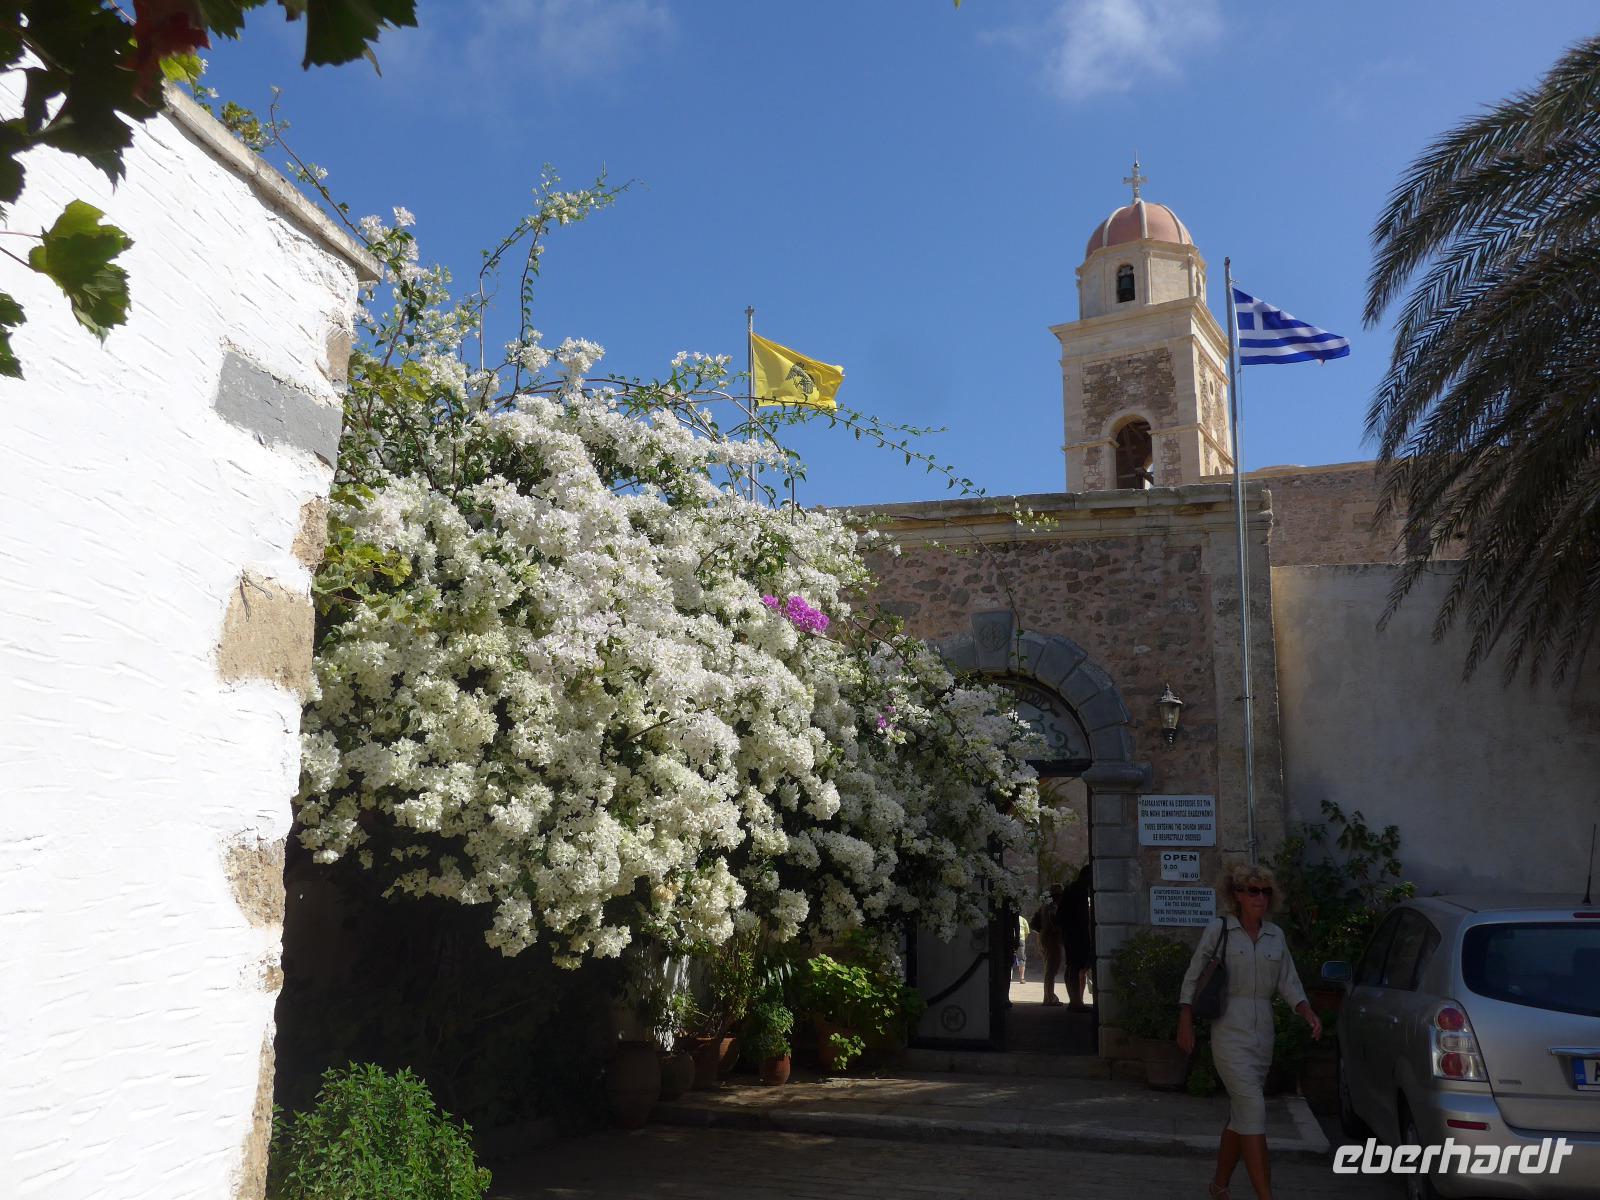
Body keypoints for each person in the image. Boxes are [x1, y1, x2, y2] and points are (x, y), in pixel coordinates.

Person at [1177, 863, 1321, 1200]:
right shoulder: (1220, 929)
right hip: (1228, 1029)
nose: (1259, 897)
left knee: (1242, 1114)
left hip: (1263, 1033)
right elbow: (1194, 973)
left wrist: (1306, 1010)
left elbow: (1289, 982)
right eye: (1251, 890)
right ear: (1237, 895)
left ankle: (1219, 1186)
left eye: (1265, 891)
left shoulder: (1275, 936)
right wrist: (1185, 1019)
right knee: (1254, 1109)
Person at [1059, 864, 1094, 1010]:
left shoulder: (1071, 889)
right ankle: (1075, 1002)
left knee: (1073, 967)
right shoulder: (1078, 891)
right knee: (1075, 966)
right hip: (1076, 934)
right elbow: (1080, 916)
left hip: (1071, 933)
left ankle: (1074, 1000)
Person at [1032, 883, 1065, 1004]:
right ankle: (1049, 998)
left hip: (1045, 937)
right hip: (1051, 938)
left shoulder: (1044, 906)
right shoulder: (1052, 907)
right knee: (1051, 969)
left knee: (1049, 968)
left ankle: (1048, 996)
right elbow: (1053, 922)